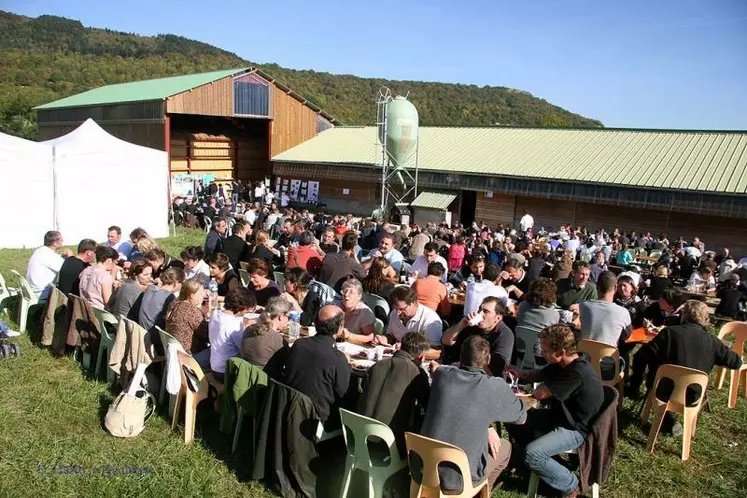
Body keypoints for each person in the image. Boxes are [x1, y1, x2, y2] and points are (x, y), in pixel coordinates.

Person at [418, 336, 528, 494]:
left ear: (460, 357)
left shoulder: (443, 375)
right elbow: (521, 416)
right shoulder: (494, 387)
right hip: (460, 478)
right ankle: (477, 493)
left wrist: (487, 426)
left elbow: (439, 371)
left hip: (423, 469)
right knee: (505, 448)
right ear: (488, 359)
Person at [507, 324, 604, 498]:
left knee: (533, 453)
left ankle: (571, 486)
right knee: (516, 421)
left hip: (575, 427)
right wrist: (520, 373)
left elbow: (540, 393)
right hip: (559, 416)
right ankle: (550, 467)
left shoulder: (576, 373)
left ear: (560, 352)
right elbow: (541, 374)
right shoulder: (563, 363)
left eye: (544, 350)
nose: (541, 352)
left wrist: (523, 392)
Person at [628, 300, 742, 435]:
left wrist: (637, 380)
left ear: (684, 315)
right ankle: (669, 419)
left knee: (660, 377)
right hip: (693, 395)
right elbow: (736, 363)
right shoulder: (713, 342)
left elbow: (640, 356)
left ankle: (665, 417)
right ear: (705, 319)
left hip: (663, 390)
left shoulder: (669, 333)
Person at [358, 332, 433, 455]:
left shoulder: (378, 365)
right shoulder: (416, 373)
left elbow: (363, 386)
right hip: (387, 444)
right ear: (421, 356)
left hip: (359, 434)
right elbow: (428, 404)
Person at [279, 305, 351, 425]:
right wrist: (347, 365)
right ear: (339, 328)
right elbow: (342, 392)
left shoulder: (299, 344)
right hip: (316, 417)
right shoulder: (337, 358)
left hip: (290, 406)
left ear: (315, 324)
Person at [442, 296, 514, 375]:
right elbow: (446, 341)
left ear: (497, 318)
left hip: (484, 378)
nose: (480, 314)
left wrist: (464, 366)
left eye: (485, 311)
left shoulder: (505, 335)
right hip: (459, 372)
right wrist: (462, 324)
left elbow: (497, 369)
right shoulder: (470, 325)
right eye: (479, 309)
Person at [209, 287, 258, 381]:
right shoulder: (234, 326)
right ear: (240, 307)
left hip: (215, 366)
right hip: (226, 371)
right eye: (247, 309)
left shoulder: (215, 314)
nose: (247, 312)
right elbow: (245, 349)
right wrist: (246, 328)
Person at [382, 286, 443, 357]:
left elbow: (436, 352)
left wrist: (406, 350)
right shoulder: (394, 313)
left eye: (402, 309)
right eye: (395, 309)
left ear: (413, 303)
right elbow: (391, 336)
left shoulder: (429, 319)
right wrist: (384, 338)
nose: (398, 313)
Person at [579, 271, 633, 347]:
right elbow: (627, 336)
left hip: (585, 355)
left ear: (597, 286)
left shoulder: (583, 306)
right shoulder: (623, 312)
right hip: (609, 357)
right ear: (616, 287)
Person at [165, 279, 210, 368]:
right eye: (201, 293)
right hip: (189, 358)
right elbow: (208, 336)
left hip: (174, 355)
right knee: (222, 351)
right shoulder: (191, 311)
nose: (204, 295)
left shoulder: (174, 304)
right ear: (191, 295)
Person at [241, 296, 290, 368]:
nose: (288, 320)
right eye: (288, 317)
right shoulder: (277, 339)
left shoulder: (249, 329)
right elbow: (289, 362)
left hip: (245, 374)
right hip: (266, 377)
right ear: (281, 316)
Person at [138, 267, 185, 340]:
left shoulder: (150, 288)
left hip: (140, 331)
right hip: (153, 338)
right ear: (176, 282)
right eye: (182, 283)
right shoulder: (169, 298)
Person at [26, 230, 72, 299]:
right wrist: (70, 257)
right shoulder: (50, 256)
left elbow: (53, 262)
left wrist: (61, 257)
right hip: (42, 293)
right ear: (54, 243)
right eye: (60, 239)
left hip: (33, 289)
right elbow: (69, 268)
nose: (63, 240)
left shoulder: (40, 251)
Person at [338, 279, 376, 343]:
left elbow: (370, 337)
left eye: (351, 292)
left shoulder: (365, 312)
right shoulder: (337, 306)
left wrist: (349, 335)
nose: (346, 295)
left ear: (359, 296)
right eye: (344, 291)